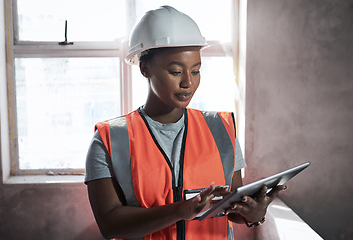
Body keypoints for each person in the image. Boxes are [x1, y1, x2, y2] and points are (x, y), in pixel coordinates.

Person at [85, 6, 286, 240]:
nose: (188, 83)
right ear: (144, 69)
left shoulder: (221, 129)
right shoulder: (109, 138)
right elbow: (110, 225)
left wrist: (254, 214)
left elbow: (232, 210)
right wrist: (181, 210)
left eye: (196, 71)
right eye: (175, 71)